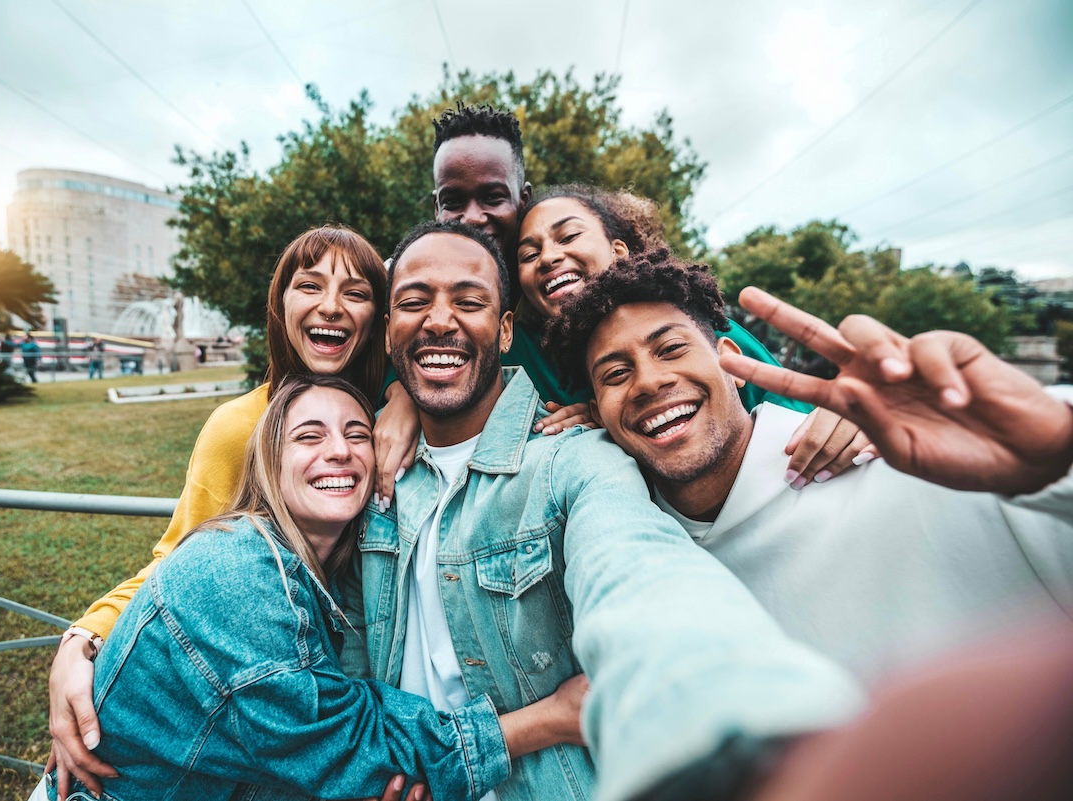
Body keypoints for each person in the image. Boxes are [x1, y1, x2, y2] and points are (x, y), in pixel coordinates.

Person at [346, 220, 863, 801]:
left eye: (469, 301)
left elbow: (636, 570)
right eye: (415, 302)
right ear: (389, 330)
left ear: (506, 328)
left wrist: (729, 714)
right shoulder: (364, 471)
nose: (440, 320)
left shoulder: (576, 461)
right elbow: (350, 669)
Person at [35, 373, 587, 801]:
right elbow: (351, 745)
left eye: (356, 435)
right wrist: (552, 719)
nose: (340, 451)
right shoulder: (239, 574)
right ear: (270, 462)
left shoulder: (310, 571)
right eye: (308, 437)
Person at [545, 249, 1073, 686]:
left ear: (731, 360)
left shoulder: (915, 465)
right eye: (614, 374)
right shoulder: (624, 561)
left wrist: (1056, 456)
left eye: (672, 349)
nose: (647, 383)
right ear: (597, 413)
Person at [46, 225, 392, 798]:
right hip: (251, 711)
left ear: (378, 316)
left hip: (351, 703)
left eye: (356, 292)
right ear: (280, 305)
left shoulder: (399, 413)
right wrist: (78, 642)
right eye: (309, 285)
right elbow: (176, 563)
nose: (331, 305)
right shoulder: (238, 428)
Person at [515, 183, 874, 485]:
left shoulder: (701, 326)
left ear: (618, 249)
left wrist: (850, 422)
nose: (547, 257)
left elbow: (811, 425)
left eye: (570, 235)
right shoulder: (528, 357)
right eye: (528, 254)